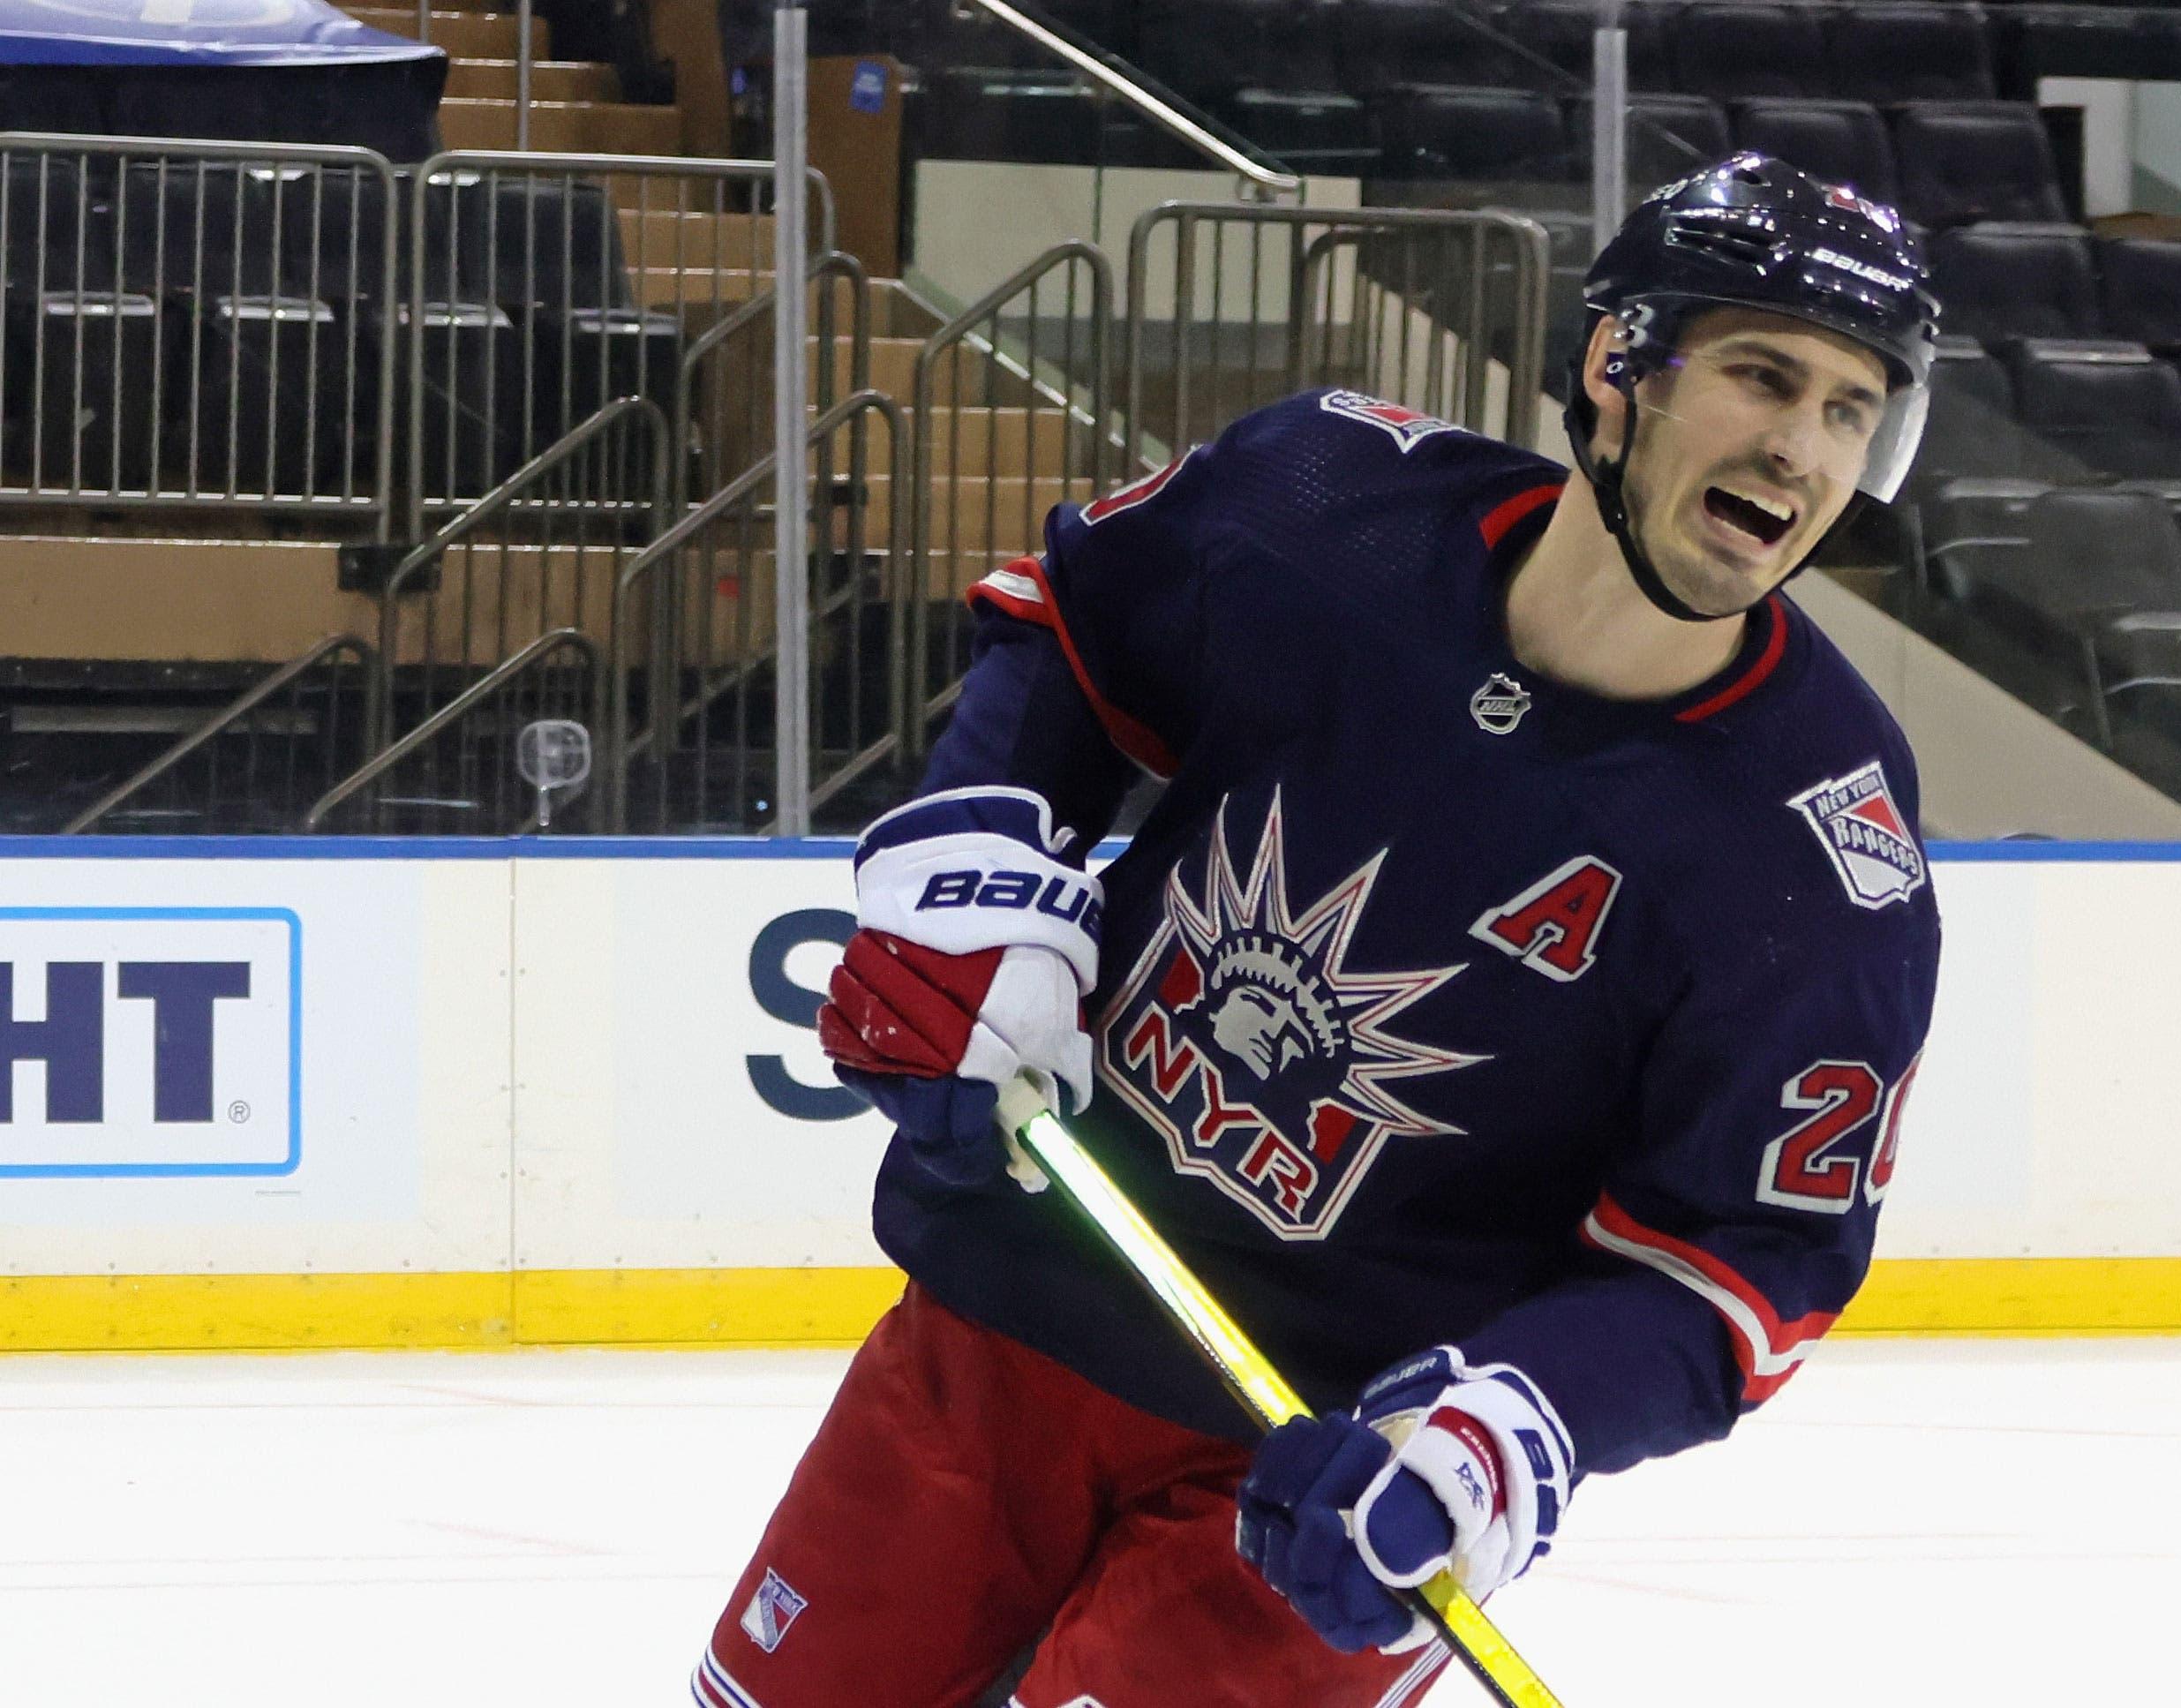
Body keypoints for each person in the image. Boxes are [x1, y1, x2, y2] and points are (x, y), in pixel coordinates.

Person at [694, 153, 1946, 1708]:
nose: (1804, 448)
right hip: (1006, 1323)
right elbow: (1074, 629)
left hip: (1321, 1489)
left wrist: (1511, 1428)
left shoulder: (1826, 855)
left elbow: (1744, 1265)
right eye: (1765, 374)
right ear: (1618, 363)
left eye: (1850, 407)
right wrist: (972, 874)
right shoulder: (1325, 501)